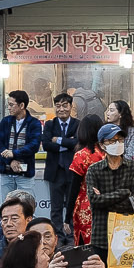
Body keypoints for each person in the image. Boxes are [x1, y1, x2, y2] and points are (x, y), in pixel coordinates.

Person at [41, 90, 83, 231]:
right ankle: (57, 234)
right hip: (55, 170)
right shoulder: (50, 125)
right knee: (56, 207)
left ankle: (72, 235)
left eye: (65, 105)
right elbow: (46, 144)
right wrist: (67, 144)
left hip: (73, 170)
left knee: (72, 205)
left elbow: (78, 144)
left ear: (71, 107)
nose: (61, 109)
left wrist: (58, 140)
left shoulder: (78, 124)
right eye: (58, 106)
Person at [0, 88, 43, 194]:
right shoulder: (5, 121)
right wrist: (10, 161)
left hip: (25, 172)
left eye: (12, 105)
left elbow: (34, 145)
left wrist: (14, 153)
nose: (9, 108)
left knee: (27, 205)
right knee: (6, 204)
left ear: (22, 106)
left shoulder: (34, 123)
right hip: (6, 171)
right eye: (8, 105)